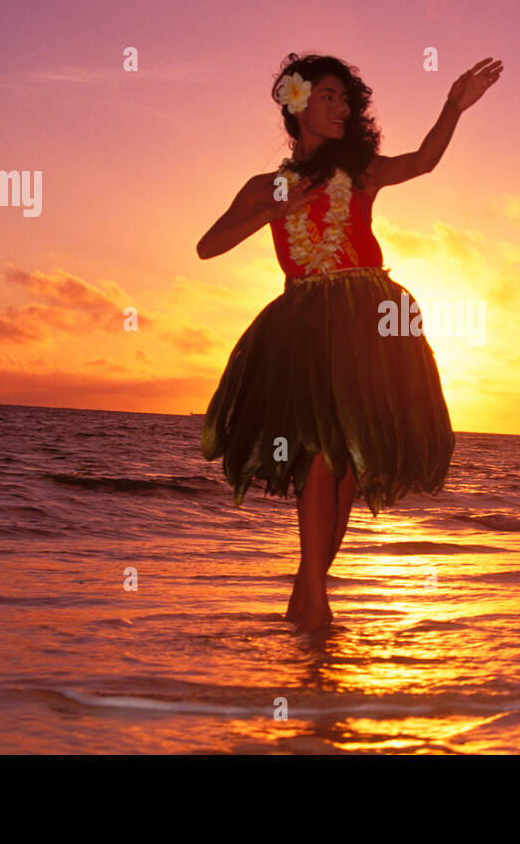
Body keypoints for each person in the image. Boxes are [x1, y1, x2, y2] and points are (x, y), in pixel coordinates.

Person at [196, 52, 503, 631]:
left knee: (346, 467)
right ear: (297, 104)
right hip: (305, 324)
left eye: (346, 100)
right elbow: (208, 247)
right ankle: (315, 599)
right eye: (329, 97)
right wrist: (270, 209)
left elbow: (423, 162)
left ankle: (306, 596)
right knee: (316, 452)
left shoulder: (360, 172)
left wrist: (453, 106)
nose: (342, 108)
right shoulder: (266, 186)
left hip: (368, 322)